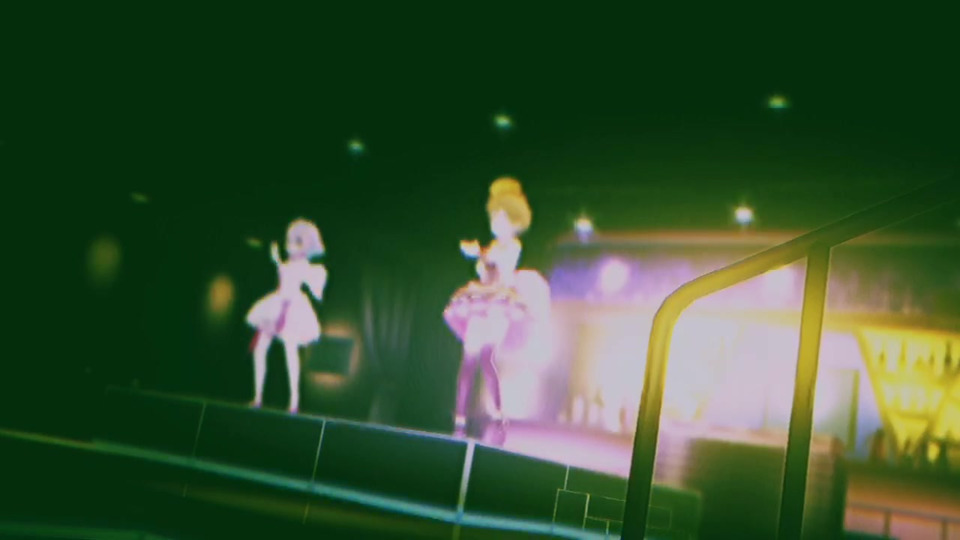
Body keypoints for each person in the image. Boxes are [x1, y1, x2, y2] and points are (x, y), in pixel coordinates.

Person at [444, 178, 550, 438]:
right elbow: (485, 269)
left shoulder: (512, 246)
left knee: (486, 360)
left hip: (498, 305)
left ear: (513, 222)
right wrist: (480, 257)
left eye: (500, 218)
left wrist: (478, 254)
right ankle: (460, 418)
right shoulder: (492, 247)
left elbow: (498, 266)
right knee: (468, 362)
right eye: (494, 218)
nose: (495, 223)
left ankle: (498, 413)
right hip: (481, 303)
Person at [246, 219, 328, 413]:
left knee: (290, 351)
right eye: (290, 241)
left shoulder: (303, 267)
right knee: (260, 349)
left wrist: (282, 316)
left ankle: (294, 400)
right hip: (276, 304)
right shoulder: (288, 264)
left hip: (290, 307)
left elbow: (294, 285)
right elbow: (283, 273)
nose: (290, 246)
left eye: (296, 242)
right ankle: (257, 396)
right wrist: (276, 259)